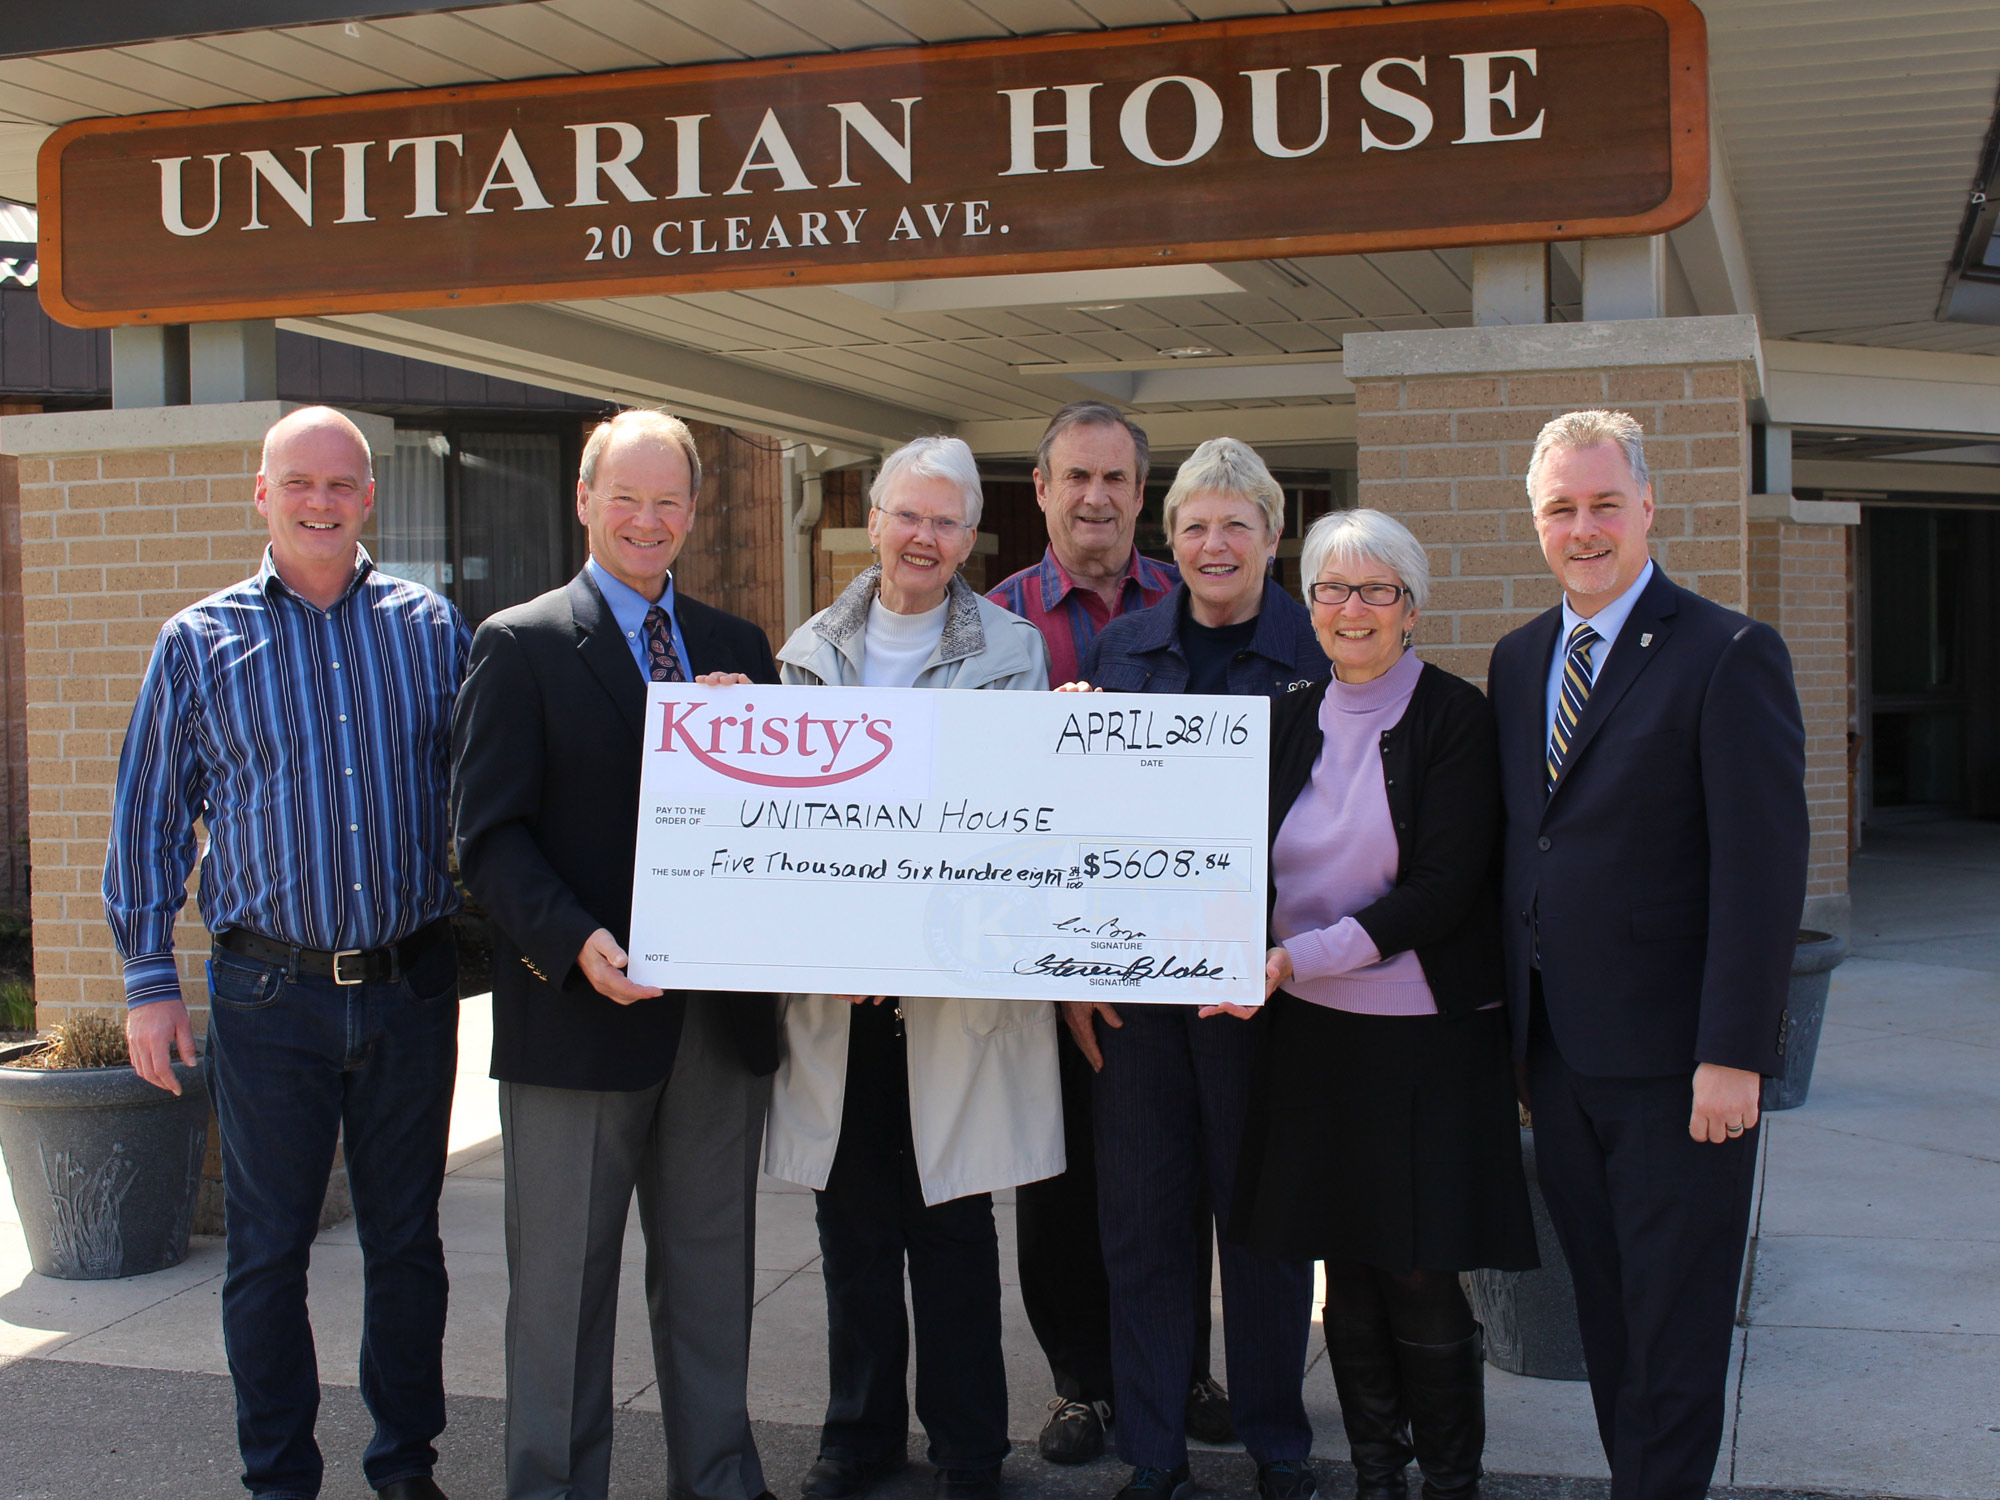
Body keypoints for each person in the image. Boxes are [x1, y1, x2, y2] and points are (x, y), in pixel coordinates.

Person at [103, 406, 470, 1500]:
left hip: (409, 986)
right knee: (267, 1258)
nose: (321, 502)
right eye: (298, 483)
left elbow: (491, 792)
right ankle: (279, 1478)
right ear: (261, 495)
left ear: (370, 496)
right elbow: (149, 819)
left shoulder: (431, 629)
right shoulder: (198, 642)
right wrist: (147, 982)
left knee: (407, 1248)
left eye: (342, 484)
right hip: (269, 998)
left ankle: (405, 1467)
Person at [450, 408, 781, 1500]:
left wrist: (752, 750)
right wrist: (574, 942)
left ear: (693, 512)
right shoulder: (520, 642)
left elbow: (781, 829)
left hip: (711, 1029)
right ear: (584, 501)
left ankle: (720, 1482)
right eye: (626, 497)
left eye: (669, 500)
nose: (648, 519)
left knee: (710, 1285)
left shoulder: (738, 651)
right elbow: (485, 841)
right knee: (559, 1297)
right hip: (574, 1019)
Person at [1487, 410, 1807, 1500]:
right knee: (1609, 1317)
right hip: (1560, 1062)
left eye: (1601, 504)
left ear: (1646, 508)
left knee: (1672, 1329)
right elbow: (1526, 849)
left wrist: (1734, 1055)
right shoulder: (1519, 656)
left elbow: (1762, 876)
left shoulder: (1727, 652)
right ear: (1536, 522)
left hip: (1680, 1068)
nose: (1583, 528)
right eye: (1560, 509)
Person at [764, 436, 1058, 1500]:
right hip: (839, 996)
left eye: (945, 522)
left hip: (950, 987)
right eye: (907, 515)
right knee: (848, 1225)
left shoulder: (1011, 653)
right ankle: (857, 1435)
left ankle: (970, 1446)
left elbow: (1011, 822)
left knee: (950, 1226)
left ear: (968, 536)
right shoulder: (804, 650)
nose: (924, 538)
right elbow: (784, 830)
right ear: (874, 520)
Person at [1228, 508, 1538, 1500]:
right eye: (1329, 588)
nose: (1349, 609)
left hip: (1423, 1040)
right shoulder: (1284, 715)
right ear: (1306, 602)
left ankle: (1448, 1484)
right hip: (1313, 1038)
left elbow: (1442, 890)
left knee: (1415, 1270)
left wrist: (1292, 958)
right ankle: (1376, 1477)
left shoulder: (1454, 718)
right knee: (1346, 1271)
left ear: (1409, 609)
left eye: (1374, 590)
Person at [1069, 437, 1327, 1500]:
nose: (1212, 544)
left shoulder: (1323, 645)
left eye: (1234, 524)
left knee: (1264, 1223)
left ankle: (1275, 1441)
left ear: (1271, 535)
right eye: (1192, 526)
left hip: (1268, 983)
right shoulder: (1120, 652)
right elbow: (1073, 823)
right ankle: (1154, 1449)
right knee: (1140, 1219)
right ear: (1165, 542)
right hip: (1135, 984)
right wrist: (1075, 968)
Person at [988, 402, 1231, 1465]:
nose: (1095, 498)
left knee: (1169, 1177)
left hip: (1168, 950)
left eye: (1116, 481)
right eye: (1074, 478)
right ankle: (1080, 1384)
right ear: (1039, 489)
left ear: (1143, 495)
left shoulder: (1189, 602)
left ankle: (1177, 1368)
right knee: (1056, 1180)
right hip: (1041, 947)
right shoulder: (990, 624)